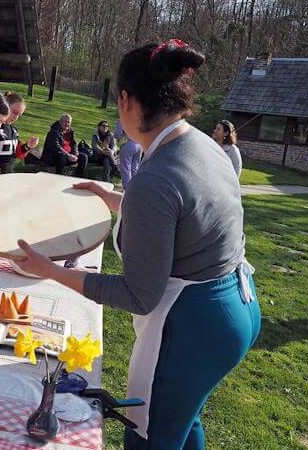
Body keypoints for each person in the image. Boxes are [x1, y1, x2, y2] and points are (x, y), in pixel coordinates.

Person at [14, 40, 261, 449]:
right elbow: (185, 213)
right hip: (238, 305)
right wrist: (113, 199)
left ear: (127, 100)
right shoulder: (202, 144)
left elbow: (140, 294)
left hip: (195, 326)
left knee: (149, 437)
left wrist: (53, 272)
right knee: (183, 419)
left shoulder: (155, 176)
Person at [0, 91, 40, 175]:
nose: (16, 117)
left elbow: (15, 153)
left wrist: (27, 146)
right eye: (14, 112)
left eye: (19, 115)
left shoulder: (13, 130)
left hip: (8, 174)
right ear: (5, 106)